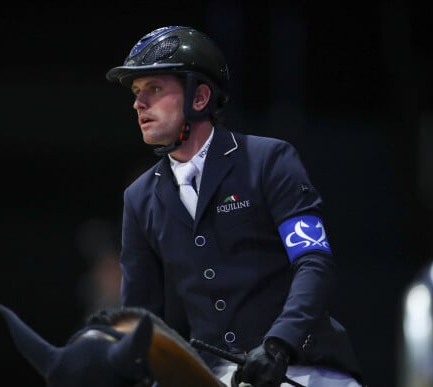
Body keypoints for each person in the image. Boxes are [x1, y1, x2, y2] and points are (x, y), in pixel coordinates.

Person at [106, 25, 364, 387]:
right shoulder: (139, 197)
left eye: (154, 89)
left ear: (199, 98)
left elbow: (313, 262)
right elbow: (140, 318)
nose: (138, 103)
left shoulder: (268, 160)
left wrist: (278, 344)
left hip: (302, 367)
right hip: (216, 376)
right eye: (136, 92)